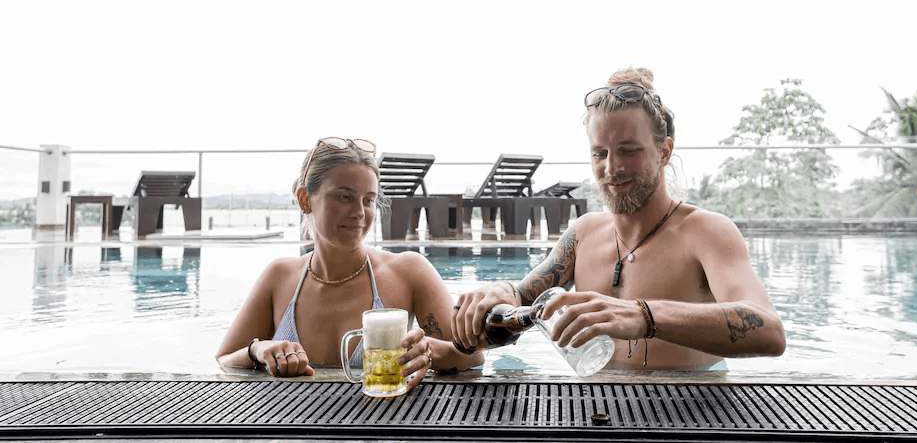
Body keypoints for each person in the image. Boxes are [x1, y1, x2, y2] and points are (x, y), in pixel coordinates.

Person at [453, 68, 786, 370]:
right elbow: (524, 297)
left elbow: (769, 330)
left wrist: (645, 316)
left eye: (629, 151)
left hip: (690, 416)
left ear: (664, 151)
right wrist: (498, 293)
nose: (612, 169)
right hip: (599, 416)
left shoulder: (705, 231)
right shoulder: (583, 234)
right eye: (600, 153)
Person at [217, 137, 483, 387]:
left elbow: (472, 357)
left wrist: (430, 351)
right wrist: (258, 350)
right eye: (344, 197)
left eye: (368, 200)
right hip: (298, 431)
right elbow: (224, 360)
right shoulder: (280, 276)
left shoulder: (408, 271)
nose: (358, 213)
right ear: (305, 199)